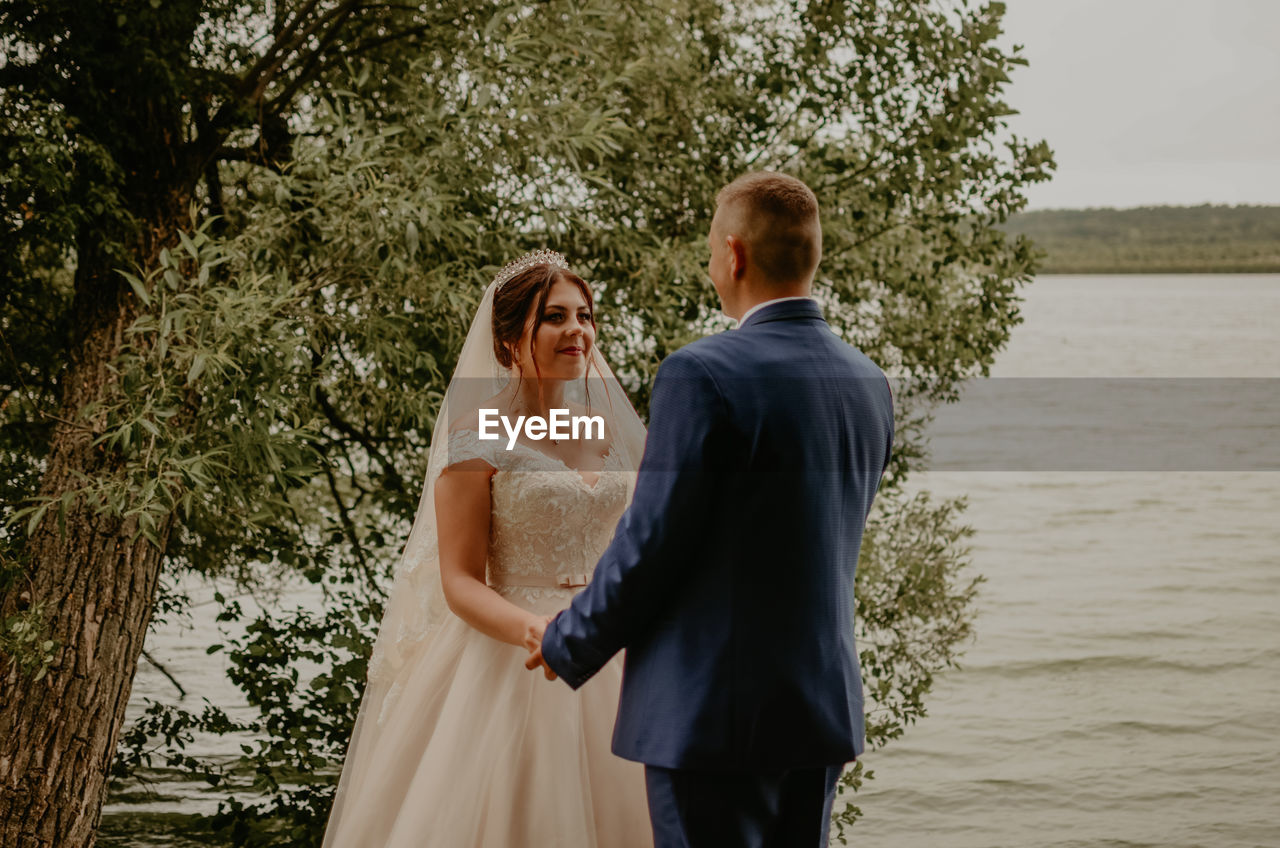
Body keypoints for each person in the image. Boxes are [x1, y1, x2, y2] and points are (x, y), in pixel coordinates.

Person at [529, 172, 895, 848]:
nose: (709, 266)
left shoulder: (703, 373)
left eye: (708, 252)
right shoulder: (868, 382)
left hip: (713, 716)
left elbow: (654, 540)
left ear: (734, 255)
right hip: (819, 708)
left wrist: (569, 638)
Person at [322, 251, 652, 847]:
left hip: (613, 650)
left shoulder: (610, 429)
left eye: (585, 315)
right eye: (554, 317)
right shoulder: (476, 436)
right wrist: (539, 631)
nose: (577, 330)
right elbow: (460, 581)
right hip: (510, 658)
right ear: (506, 342)